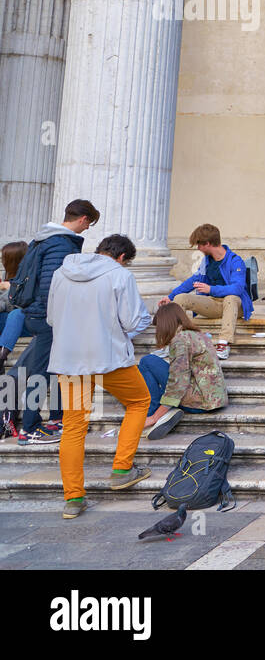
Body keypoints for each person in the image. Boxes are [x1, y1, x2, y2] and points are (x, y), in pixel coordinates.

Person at [47, 234, 153, 518]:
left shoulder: (61, 272)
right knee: (139, 402)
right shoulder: (120, 275)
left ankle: (73, 499)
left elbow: (51, 318)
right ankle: (121, 468)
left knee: (73, 426)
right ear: (122, 258)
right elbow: (132, 321)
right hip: (108, 357)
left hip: (68, 359)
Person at [3, 198, 98, 443]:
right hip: (47, 316)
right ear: (82, 219)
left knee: (52, 368)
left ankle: (53, 418)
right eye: (89, 224)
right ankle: (30, 428)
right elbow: (50, 284)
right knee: (39, 374)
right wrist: (56, 316)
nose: (87, 229)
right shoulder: (61, 243)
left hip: (38, 313)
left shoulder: (43, 239)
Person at [139, 302, 228, 441]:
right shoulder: (197, 334)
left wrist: (155, 416)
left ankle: (151, 415)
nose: (158, 332)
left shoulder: (180, 340)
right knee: (154, 366)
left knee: (147, 361)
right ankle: (161, 410)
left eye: (159, 327)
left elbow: (178, 383)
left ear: (166, 323)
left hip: (200, 403)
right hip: (214, 400)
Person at [164, 223, 252, 359]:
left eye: (199, 244)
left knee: (230, 298)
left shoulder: (235, 261)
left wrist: (211, 289)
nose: (198, 248)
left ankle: (224, 344)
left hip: (236, 305)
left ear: (208, 243)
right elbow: (193, 280)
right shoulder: (206, 261)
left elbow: (238, 288)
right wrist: (170, 297)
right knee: (180, 298)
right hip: (214, 304)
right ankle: (176, 343)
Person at [0, 241, 29, 373]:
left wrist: (10, 289)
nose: (2, 261)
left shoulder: (31, 279)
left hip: (25, 323)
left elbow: (22, 304)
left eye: (4, 258)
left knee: (17, 314)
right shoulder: (4, 278)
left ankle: (1, 356)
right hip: (7, 322)